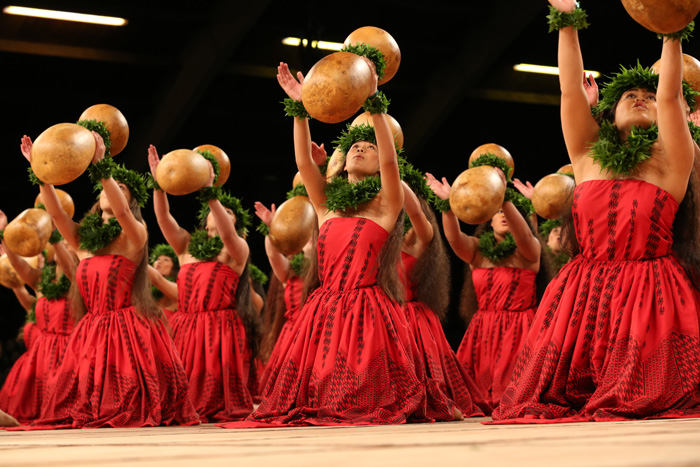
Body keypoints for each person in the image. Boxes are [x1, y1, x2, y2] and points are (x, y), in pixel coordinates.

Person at [492, 0, 700, 421]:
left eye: (648, 96)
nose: (641, 99)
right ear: (608, 112)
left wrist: (671, 27)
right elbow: (570, 89)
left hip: (649, 290)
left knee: (643, 394)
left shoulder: (673, 161)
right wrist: (568, 20)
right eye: (629, 95)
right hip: (583, 292)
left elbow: (671, 93)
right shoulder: (587, 156)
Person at [222, 61, 432, 426]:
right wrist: (301, 109)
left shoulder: (386, 204)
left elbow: (389, 158)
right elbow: (304, 161)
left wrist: (374, 102)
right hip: (324, 308)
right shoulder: (324, 205)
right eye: (354, 146)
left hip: (368, 307)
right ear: (343, 160)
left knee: (365, 399)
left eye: (367, 146)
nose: (360, 149)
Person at [10, 133, 198, 429]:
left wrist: (101, 165)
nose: (112, 192)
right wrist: (41, 172)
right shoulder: (83, 241)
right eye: (110, 187)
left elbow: (121, 211)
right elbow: (57, 215)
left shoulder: (135, 235)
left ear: (131, 199)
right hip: (92, 329)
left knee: (125, 406)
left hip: (128, 329)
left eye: (121, 188)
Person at [149, 147, 260, 422]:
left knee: (215, 395)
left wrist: (212, 194)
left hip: (219, 328)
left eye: (229, 213)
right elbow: (163, 219)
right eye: (222, 211)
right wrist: (159, 183)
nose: (223, 214)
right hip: (186, 326)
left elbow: (226, 233)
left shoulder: (236, 250)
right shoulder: (186, 247)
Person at [427, 172, 543, 411]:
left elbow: (523, 235)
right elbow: (453, 238)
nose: (502, 215)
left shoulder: (530, 252)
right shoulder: (478, 252)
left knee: (516, 395)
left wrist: (502, 197)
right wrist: (448, 206)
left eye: (506, 211)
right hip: (483, 332)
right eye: (497, 212)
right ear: (488, 220)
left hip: (521, 330)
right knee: (475, 398)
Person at [399, 181, 487, 418]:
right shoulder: (380, 239)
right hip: (383, 316)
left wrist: (393, 176)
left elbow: (417, 215)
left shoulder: (417, 238)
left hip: (411, 321)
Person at [0, 209, 77, 423]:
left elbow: (70, 266)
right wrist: (5, 233)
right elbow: (17, 266)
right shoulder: (41, 281)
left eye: (72, 245)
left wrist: (55, 234)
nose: (68, 247)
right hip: (43, 353)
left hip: (71, 351)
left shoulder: (78, 281)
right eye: (65, 244)